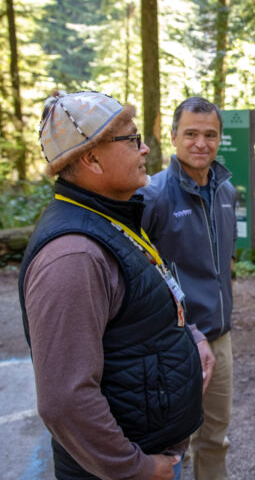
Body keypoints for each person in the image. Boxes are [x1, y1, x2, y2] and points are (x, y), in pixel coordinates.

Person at [19, 91, 213, 479]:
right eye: (132, 139)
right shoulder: (73, 256)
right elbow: (64, 402)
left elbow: (140, 309)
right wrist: (138, 469)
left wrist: (191, 336)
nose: (145, 149)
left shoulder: (111, 218)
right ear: (90, 158)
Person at [139, 96, 237, 480]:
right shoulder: (152, 195)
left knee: (215, 438)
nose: (201, 143)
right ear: (175, 137)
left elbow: (224, 262)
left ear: (219, 139)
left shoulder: (227, 192)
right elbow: (140, 273)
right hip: (173, 343)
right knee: (172, 444)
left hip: (221, 337)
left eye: (210, 135)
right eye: (191, 134)